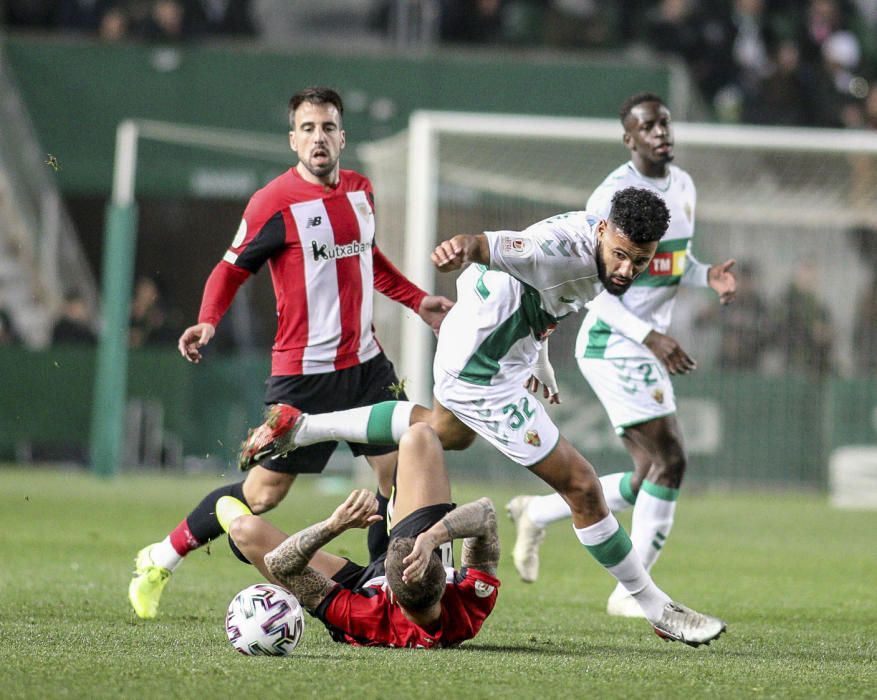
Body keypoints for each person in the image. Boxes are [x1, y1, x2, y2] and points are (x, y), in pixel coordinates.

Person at [240, 186, 728, 647]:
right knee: (581, 486)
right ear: (602, 231)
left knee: (445, 433)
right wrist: (462, 247)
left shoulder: (596, 243)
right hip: (481, 369)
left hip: (488, 334)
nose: (626, 269)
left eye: (639, 261)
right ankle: (656, 608)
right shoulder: (553, 250)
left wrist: (538, 359)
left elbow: (548, 297)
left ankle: (302, 426)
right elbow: (494, 248)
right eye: (620, 255)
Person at [128, 86, 453, 620]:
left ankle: (383, 588)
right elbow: (231, 267)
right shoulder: (273, 202)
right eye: (307, 129)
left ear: (342, 137)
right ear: (292, 139)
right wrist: (208, 319)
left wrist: (418, 301)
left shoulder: (361, 191)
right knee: (262, 496)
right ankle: (160, 557)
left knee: (397, 473)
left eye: (327, 127)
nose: (318, 138)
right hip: (304, 380)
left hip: (367, 366)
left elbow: (370, 261)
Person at [505, 93, 737, 620]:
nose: (661, 132)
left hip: (639, 342)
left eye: (666, 123)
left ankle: (537, 513)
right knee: (671, 460)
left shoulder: (684, 185)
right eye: (648, 126)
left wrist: (706, 277)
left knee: (648, 471)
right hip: (614, 340)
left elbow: (675, 261)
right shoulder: (608, 196)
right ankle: (631, 591)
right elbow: (597, 285)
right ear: (629, 138)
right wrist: (650, 337)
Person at [218, 422, 500, 648]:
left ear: (391, 597)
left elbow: (280, 562)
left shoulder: (360, 616)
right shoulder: (467, 604)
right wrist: (430, 538)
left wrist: (335, 525)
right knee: (420, 437)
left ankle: (380, 477)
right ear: (444, 577)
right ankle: (388, 483)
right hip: (419, 564)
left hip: (356, 589)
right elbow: (485, 513)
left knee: (245, 531)